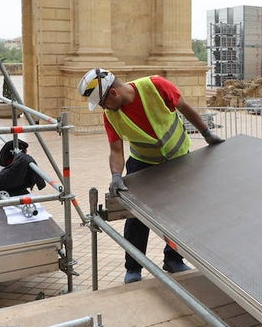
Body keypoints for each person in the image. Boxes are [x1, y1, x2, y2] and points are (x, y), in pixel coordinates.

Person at [79, 68, 224, 283]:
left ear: (113, 94)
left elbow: (184, 107)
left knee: (180, 214)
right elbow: (116, 150)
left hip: (178, 158)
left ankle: (173, 260)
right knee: (137, 216)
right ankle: (134, 268)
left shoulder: (156, 86)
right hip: (143, 164)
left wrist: (206, 133)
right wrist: (116, 176)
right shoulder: (111, 116)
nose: (103, 108)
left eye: (102, 102)